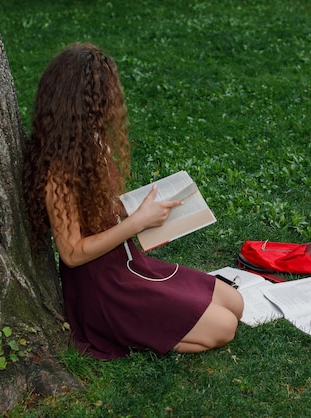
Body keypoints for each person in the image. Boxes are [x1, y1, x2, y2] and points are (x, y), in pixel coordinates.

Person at [23, 43, 243, 360]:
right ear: (89, 102)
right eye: (107, 94)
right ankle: (131, 334)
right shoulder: (58, 173)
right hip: (103, 286)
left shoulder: (91, 142)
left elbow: (96, 207)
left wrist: (134, 208)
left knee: (235, 303)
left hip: (126, 263)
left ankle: (154, 328)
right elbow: (71, 254)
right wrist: (136, 223)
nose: (114, 102)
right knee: (224, 327)